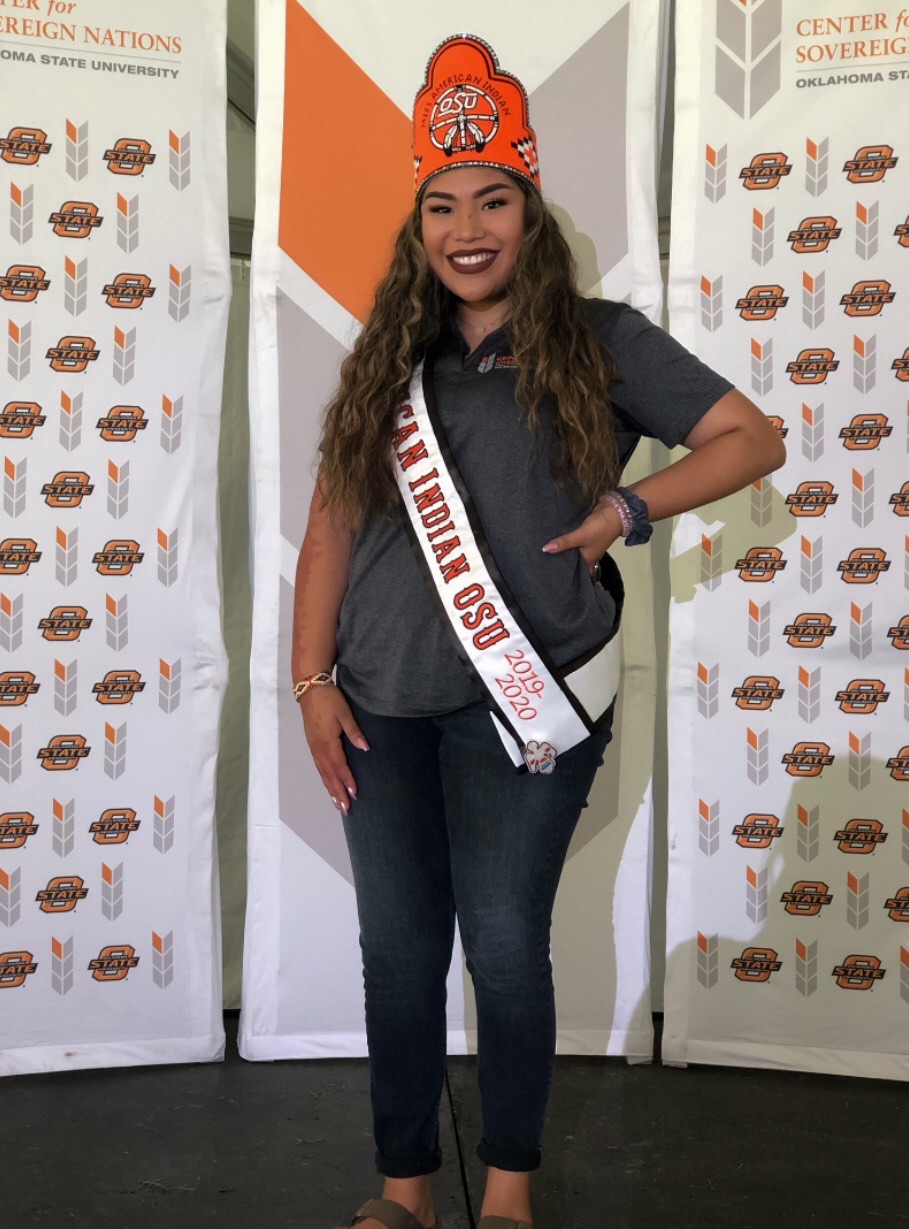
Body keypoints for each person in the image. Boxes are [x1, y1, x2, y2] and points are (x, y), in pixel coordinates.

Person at [291, 34, 785, 1229]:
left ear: (531, 211)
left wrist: (628, 509)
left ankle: (507, 1188)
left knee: (507, 945)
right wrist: (309, 678)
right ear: (419, 227)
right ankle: (405, 1189)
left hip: (532, 704)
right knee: (397, 951)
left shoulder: (602, 340)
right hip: (379, 700)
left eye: (492, 201)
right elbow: (330, 525)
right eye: (443, 206)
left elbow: (752, 437)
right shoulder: (389, 357)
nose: (467, 228)